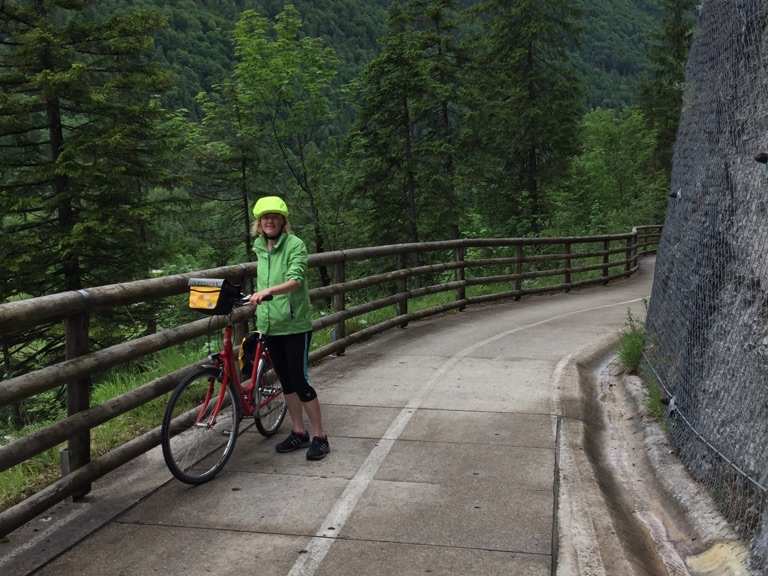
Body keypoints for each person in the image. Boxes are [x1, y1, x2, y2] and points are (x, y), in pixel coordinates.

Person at [248, 196, 330, 461]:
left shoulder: (295, 245)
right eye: (265, 218)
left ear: (283, 221)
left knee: (300, 381)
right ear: (259, 224)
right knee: (286, 382)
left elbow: (296, 279)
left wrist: (269, 291)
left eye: (274, 217)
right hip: (270, 325)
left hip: (295, 325)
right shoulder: (260, 248)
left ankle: (320, 436)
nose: (269, 221)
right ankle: (298, 431)